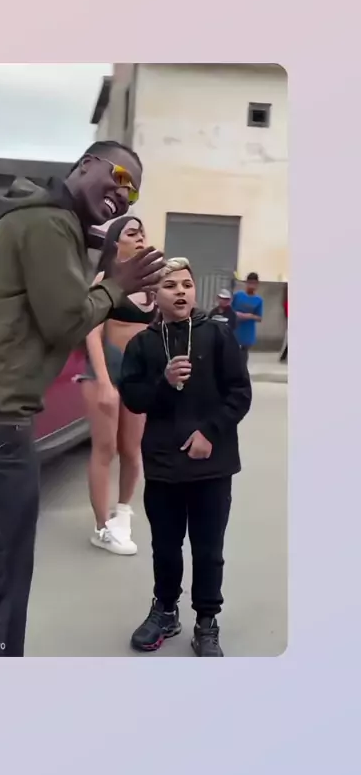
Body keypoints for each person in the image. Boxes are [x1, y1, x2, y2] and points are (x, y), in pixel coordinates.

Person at [0, 140, 166, 657]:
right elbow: (66, 320)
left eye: (133, 193)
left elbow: (66, 306)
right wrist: (116, 284)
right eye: (120, 177)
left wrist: (118, 284)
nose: (124, 195)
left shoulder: (56, 224)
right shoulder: (48, 222)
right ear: (86, 164)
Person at [118, 257, 252, 656]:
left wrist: (210, 432)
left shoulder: (218, 335)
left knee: (208, 550)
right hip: (163, 464)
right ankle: (165, 610)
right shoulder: (142, 344)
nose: (180, 291)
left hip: (212, 465)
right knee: (165, 546)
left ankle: (207, 620)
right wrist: (164, 382)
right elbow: (134, 399)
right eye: (170, 285)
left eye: (186, 285)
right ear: (154, 294)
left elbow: (239, 393)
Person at [76, 215, 157, 555]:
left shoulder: (151, 282)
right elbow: (91, 331)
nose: (140, 238)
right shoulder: (105, 280)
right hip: (104, 372)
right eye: (131, 233)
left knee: (132, 450)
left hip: (138, 377)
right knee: (105, 449)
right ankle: (101, 528)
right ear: (115, 242)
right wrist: (105, 383)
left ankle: (122, 513)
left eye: (142, 233)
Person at [232, 272, 264, 361]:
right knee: (232, 356)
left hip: (247, 332)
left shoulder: (258, 300)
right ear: (246, 283)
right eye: (250, 283)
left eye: (254, 283)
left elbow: (259, 318)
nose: (252, 286)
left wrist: (250, 316)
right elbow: (229, 309)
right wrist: (236, 314)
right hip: (235, 330)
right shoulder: (238, 295)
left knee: (243, 357)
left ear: (257, 284)